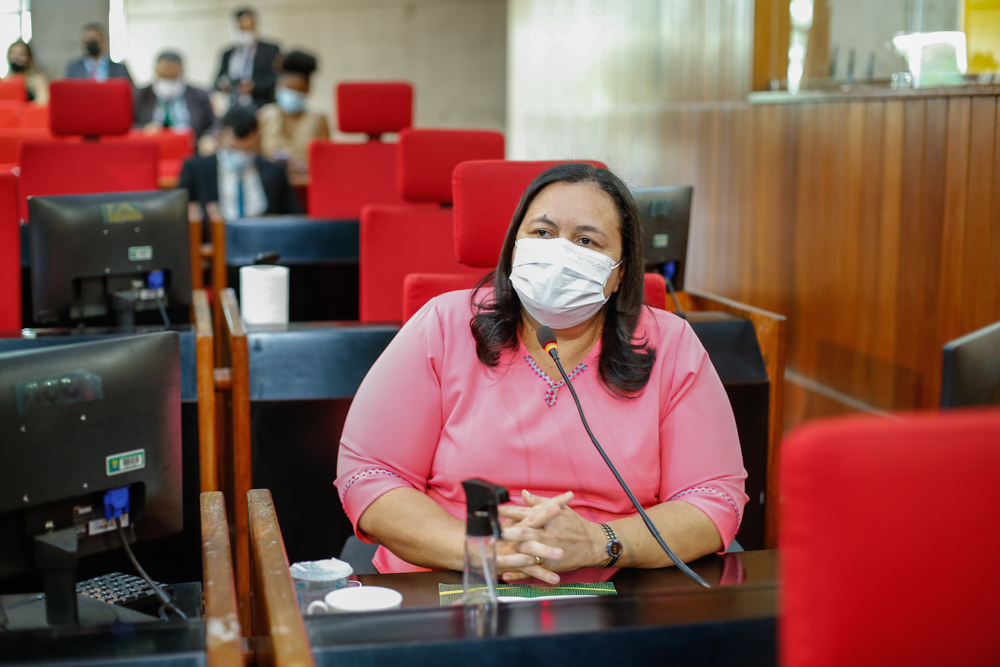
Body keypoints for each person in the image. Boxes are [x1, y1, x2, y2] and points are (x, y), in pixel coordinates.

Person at [335, 164, 748, 583]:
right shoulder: (442, 324)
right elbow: (370, 473)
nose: (559, 251)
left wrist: (599, 541)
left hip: (618, 594)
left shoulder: (670, 343)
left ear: (620, 272)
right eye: (543, 233)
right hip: (447, 582)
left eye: (586, 240)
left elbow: (714, 498)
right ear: (514, 246)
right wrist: (478, 550)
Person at [178, 105, 301, 221]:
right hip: (216, 238)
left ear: (257, 138)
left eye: (247, 149)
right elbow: (179, 216)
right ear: (220, 137)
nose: (240, 154)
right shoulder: (196, 170)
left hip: (262, 236)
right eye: (233, 148)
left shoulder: (276, 172)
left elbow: (294, 218)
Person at [258, 50, 329, 174]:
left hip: (306, 183)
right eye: (287, 88)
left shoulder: (318, 118)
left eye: (298, 90)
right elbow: (256, 155)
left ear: (308, 90)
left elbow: (327, 159)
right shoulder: (264, 115)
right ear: (278, 86)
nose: (291, 95)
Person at [134, 52, 215, 141]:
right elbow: (129, 125)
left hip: (192, 146)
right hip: (152, 144)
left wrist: (208, 137)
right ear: (156, 71)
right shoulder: (141, 95)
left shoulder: (198, 95)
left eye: (173, 76)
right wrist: (144, 129)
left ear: (182, 72)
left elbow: (213, 123)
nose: (168, 81)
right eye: (164, 76)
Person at [215, 7, 280, 109]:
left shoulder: (271, 50)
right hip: (234, 107)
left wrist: (253, 86)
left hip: (262, 106)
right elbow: (217, 81)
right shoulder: (227, 53)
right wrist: (223, 85)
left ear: (255, 26)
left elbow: (277, 78)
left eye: (248, 28)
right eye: (242, 28)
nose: (245, 32)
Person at [64, 23, 133, 83]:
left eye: (94, 41)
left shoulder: (120, 69)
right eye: (87, 42)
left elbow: (130, 92)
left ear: (103, 42)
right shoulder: (73, 68)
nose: (91, 45)